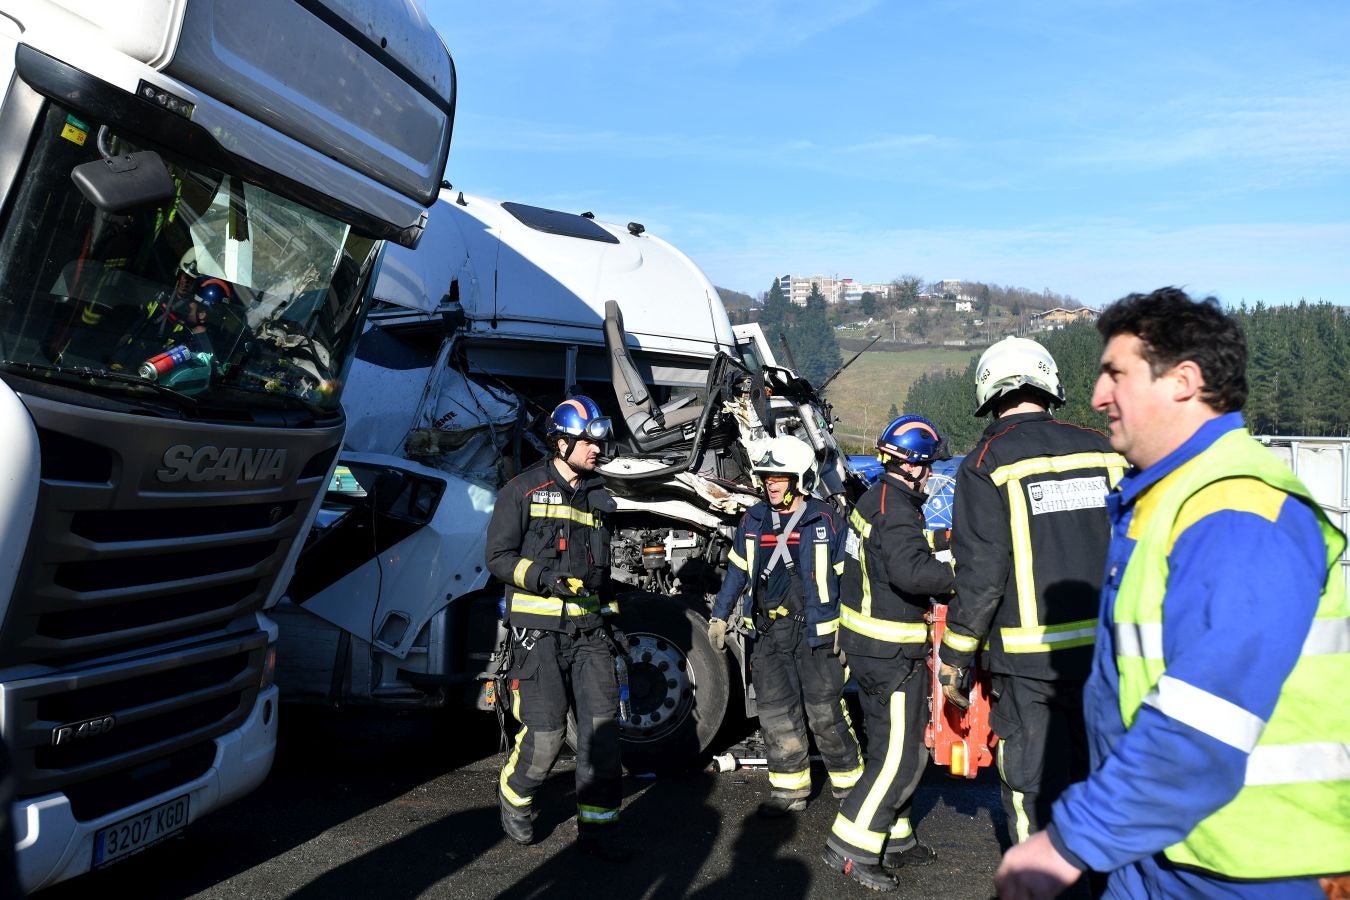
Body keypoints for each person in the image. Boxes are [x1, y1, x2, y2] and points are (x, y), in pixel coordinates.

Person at [996, 288, 1350, 899]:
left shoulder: (1237, 513)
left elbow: (1204, 717)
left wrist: (1070, 840)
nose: (1097, 396)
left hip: (1246, 865)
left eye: (1116, 375)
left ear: (1184, 381)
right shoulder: (1169, 501)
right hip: (1163, 848)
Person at [939, 337, 1124, 848]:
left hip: (1030, 664)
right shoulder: (1106, 450)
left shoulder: (985, 462)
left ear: (988, 393)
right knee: (1102, 781)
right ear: (1049, 384)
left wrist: (955, 655)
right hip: (1108, 655)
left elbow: (981, 573)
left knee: (1032, 786)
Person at [485, 395, 630, 862]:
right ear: (561, 442)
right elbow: (497, 558)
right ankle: (516, 795)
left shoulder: (599, 498)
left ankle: (599, 829)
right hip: (538, 637)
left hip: (590, 635)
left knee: (601, 735)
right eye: (588, 441)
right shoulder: (522, 490)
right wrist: (544, 578)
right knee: (546, 735)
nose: (596, 449)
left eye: (598, 442)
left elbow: (601, 575)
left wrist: (612, 620)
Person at [823, 415, 955, 892]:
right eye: (929, 465)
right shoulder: (896, 509)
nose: (931, 474)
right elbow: (911, 573)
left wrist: (946, 541)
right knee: (902, 757)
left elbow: (894, 549)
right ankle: (851, 846)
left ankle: (894, 838)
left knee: (885, 746)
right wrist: (961, 576)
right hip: (892, 653)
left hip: (868, 647)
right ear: (913, 465)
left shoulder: (877, 498)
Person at [707, 435, 862, 818]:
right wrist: (720, 615)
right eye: (767, 477)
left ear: (800, 478)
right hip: (768, 637)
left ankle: (852, 788)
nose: (770, 484)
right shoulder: (754, 519)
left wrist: (850, 629)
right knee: (777, 715)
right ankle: (789, 790)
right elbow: (737, 571)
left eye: (779, 477)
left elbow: (851, 581)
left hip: (816, 637)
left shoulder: (827, 519)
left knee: (825, 714)